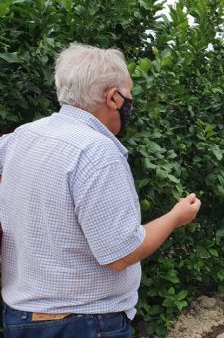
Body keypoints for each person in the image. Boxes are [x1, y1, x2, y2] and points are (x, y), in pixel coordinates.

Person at [0, 44, 201, 337]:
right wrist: (175, 217)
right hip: (82, 321)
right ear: (113, 97)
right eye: (128, 95)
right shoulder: (96, 152)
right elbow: (121, 254)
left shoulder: (23, 136)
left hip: (19, 316)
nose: (130, 104)